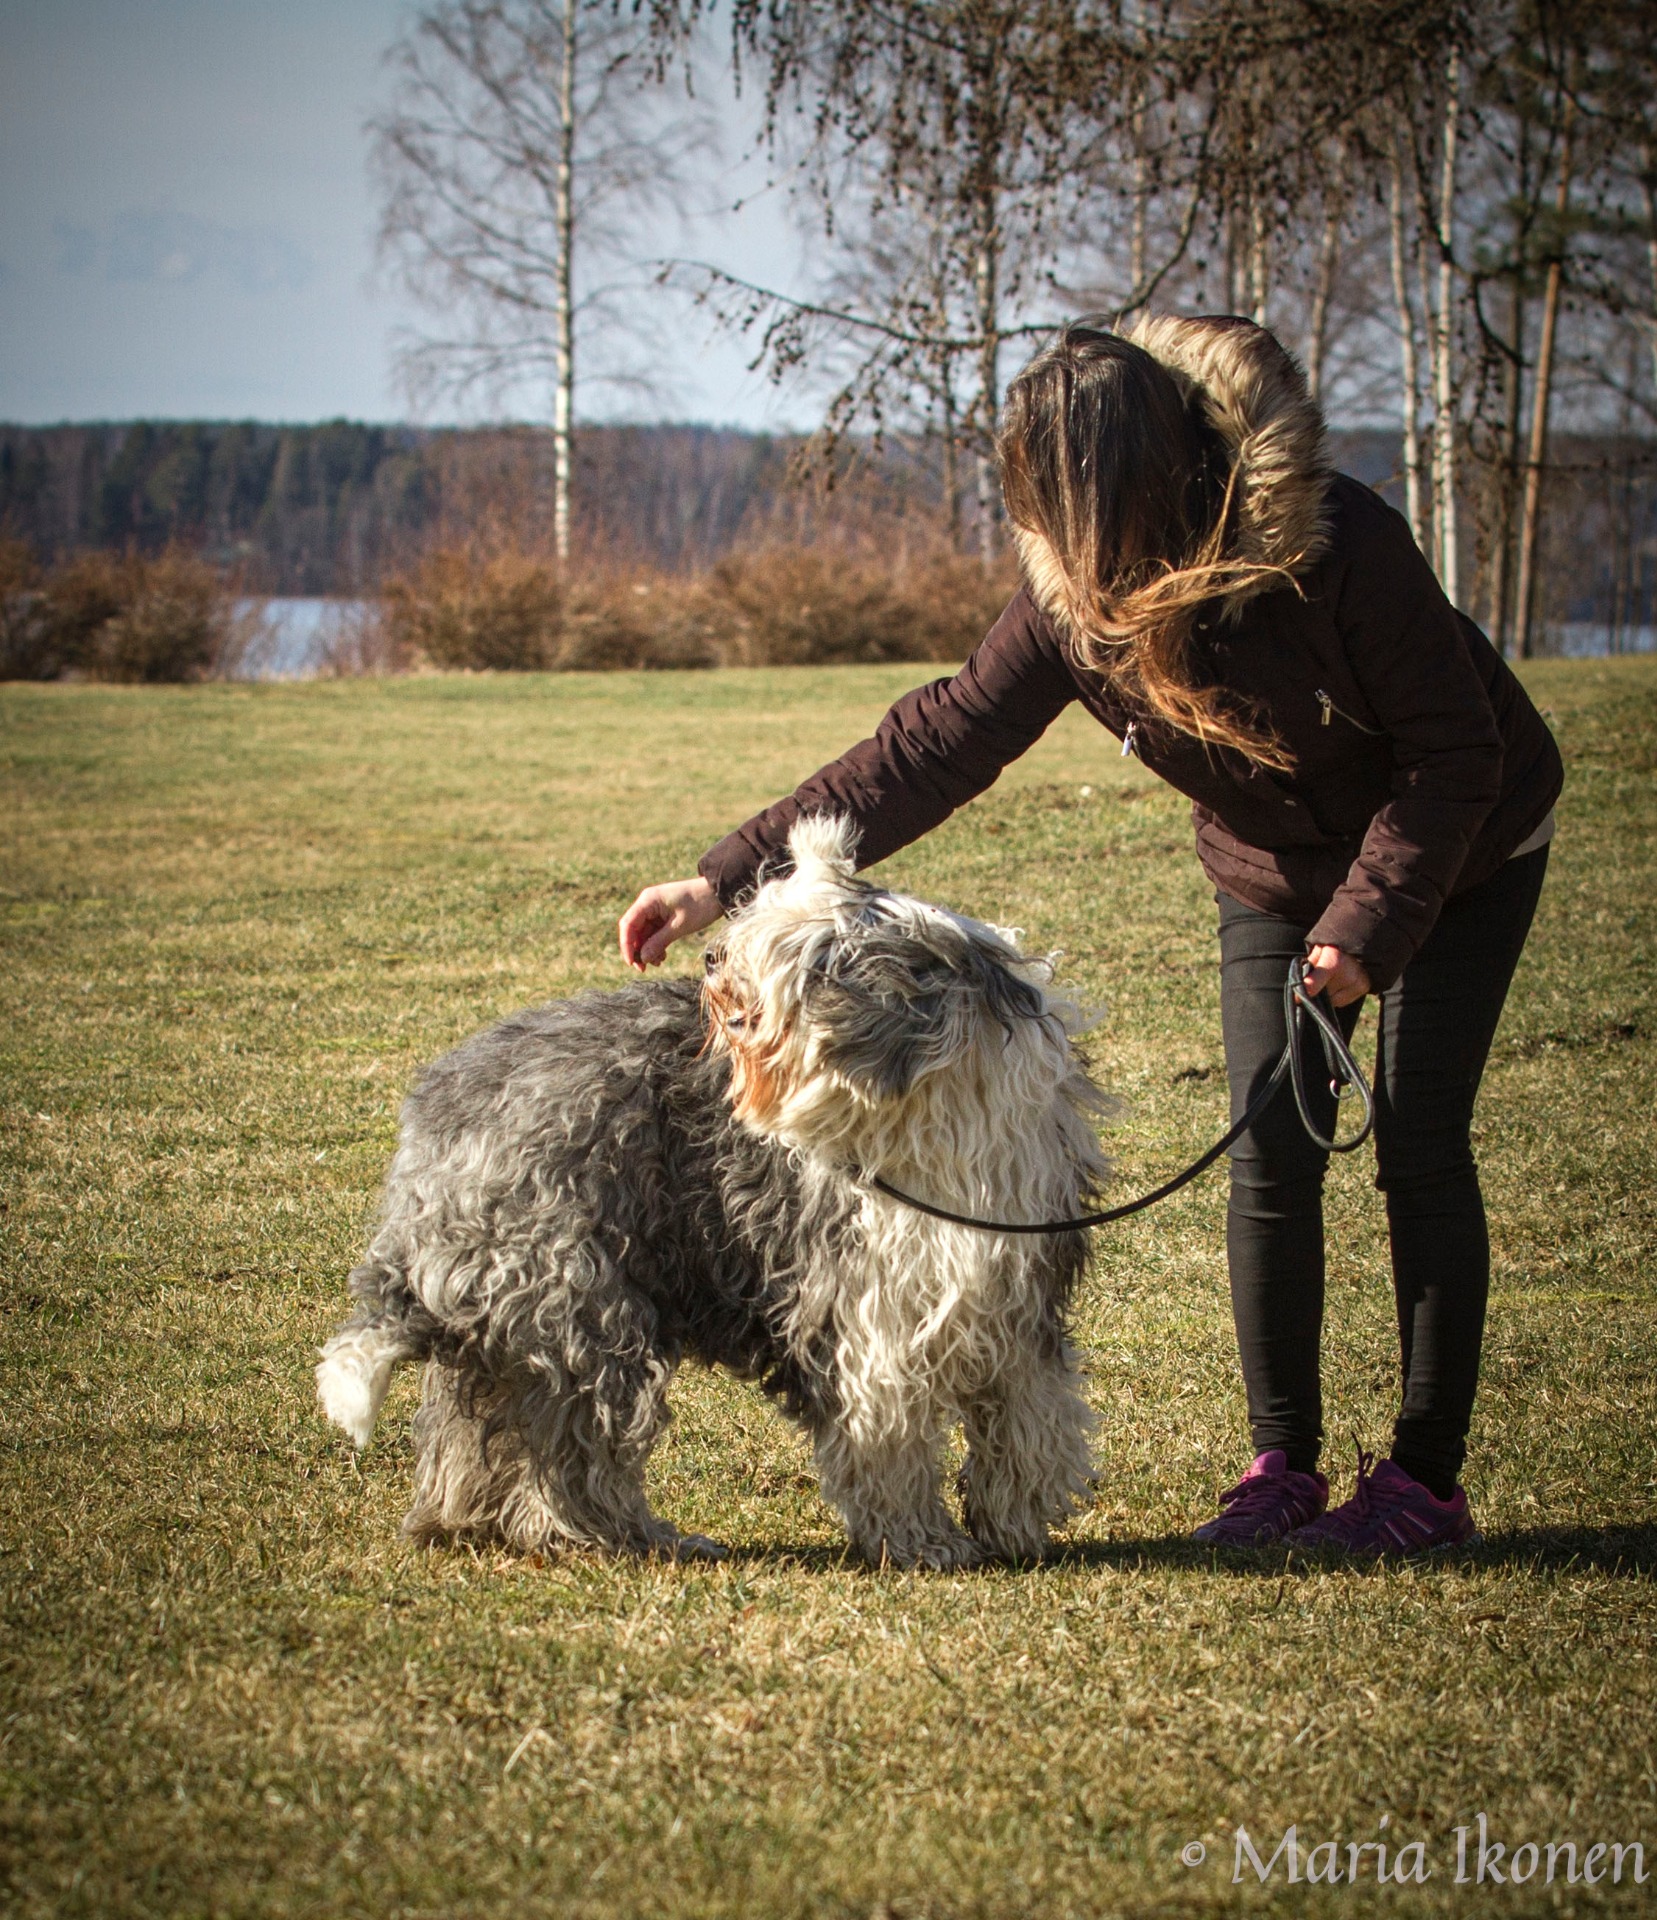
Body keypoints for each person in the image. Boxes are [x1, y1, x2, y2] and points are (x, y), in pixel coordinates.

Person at [617, 314, 1562, 1556]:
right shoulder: (1072, 598)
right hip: (1271, 872)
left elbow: (1458, 754)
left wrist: (1367, 928)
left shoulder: (1335, 547)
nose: (1066, 549)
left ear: (1157, 483)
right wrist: (719, 879)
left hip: (1465, 840)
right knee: (1271, 1156)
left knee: (1416, 1145)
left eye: (1083, 514)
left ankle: (1423, 1487)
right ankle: (1280, 1467)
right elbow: (937, 739)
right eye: (1043, 518)